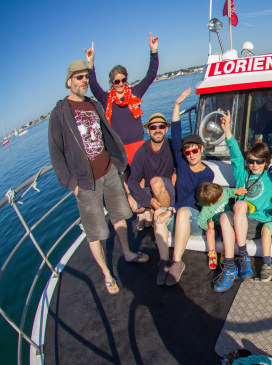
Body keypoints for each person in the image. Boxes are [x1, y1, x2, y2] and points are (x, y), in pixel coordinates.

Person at [48, 59, 149, 295]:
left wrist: (116, 163)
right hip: (85, 183)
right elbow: (56, 152)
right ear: (69, 81)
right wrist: (73, 185)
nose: (83, 81)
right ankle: (106, 274)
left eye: (86, 77)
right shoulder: (60, 112)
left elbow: (106, 133)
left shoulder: (93, 104)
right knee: (95, 232)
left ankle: (128, 253)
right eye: (79, 77)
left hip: (109, 171)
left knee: (120, 218)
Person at [152, 88, 214, 286]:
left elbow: (195, 200)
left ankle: (177, 262)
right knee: (157, 215)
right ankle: (163, 263)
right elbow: (177, 134)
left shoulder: (208, 174)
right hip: (178, 215)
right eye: (187, 152)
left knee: (181, 212)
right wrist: (176, 106)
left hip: (195, 220)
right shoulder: (183, 163)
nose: (191, 154)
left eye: (195, 150)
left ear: (201, 150)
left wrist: (173, 209)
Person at [212, 111, 272, 292]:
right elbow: (234, 153)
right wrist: (227, 130)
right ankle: (232, 264)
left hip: (257, 223)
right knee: (226, 217)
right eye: (251, 161)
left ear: (266, 163)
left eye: (259, 161)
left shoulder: (271, 178)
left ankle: (239, 258)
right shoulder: (242, 174)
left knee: (238, 206)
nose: (254, 165)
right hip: (237, 222)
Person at [85, 33, 159, 164]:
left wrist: (153, 51)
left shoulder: (135, 93)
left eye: (123, 80)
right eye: (116, 81)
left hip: (139, 146)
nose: (120, 84)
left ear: (126, 79)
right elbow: (94, 85)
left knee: (143, 179)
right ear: (111, 82)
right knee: (127, 182)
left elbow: (151, 75)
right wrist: (90, 64)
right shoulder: (105, 98)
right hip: (119, 149)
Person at [126, 113, 176, 230]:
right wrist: (148, 200)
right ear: (148, 131)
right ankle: (152, 209)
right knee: (131, 202)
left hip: (168, 190)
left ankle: (166, 222)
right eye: (153, 127)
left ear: (166, 129)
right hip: (151, 192)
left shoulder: (172, 146)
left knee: (156, 182)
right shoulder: (141, 152)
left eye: (161, 127)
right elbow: (132, 180)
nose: (157, 130)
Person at [195, 183, 247, 269]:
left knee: (228, 230)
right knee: (210, 232)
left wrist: (237, 191)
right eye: (220, 196)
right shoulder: (206, 210)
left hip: (224, 224)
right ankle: (212, 253)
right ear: (211, 203)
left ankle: (225, 251)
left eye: (221, 192)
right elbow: (201, 221)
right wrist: (208, 226)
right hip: (215, 226)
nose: (222, 194)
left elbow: (229, 191)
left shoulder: (222, 193)